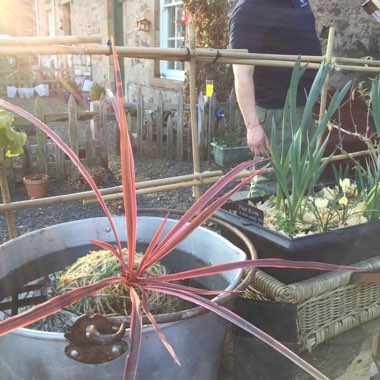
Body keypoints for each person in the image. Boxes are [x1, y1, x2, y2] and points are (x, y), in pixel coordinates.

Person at [229, 0, 322, 197]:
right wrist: (252, 126)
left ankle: (292, 226)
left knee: (301, 178)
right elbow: (242, 73)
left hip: (304, 107)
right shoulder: (250, 8)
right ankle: (256, 225)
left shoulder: (299, 2)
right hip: (276, 114)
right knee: (271, 184)